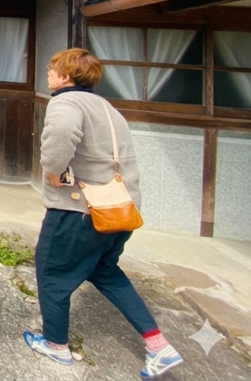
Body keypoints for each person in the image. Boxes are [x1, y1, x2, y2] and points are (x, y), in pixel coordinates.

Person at [24, 48, 183, 378]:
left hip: (80, 210)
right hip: (119, 210)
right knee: (105, 271)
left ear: (66, 76)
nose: (49, 74)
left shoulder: (66, 102)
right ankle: (157, 344)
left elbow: (61, 136)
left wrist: (52, 170)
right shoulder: (106, 106)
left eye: (53, 69)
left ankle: (56, 345)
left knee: (52, 272)